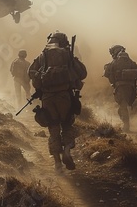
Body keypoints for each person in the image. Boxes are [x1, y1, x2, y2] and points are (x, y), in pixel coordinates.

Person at [28, 31, 87, 171]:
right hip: (64, 96)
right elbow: (82, 73)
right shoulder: (67, 54)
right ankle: (67, 150)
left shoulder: (42, 56)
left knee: (53, 128)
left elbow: (30, 72)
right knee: (66, 125)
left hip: (47, 98)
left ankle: (57, 163)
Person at [103, 45, 137, 132]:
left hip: (120, 87)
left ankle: (126, 127)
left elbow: (106, 73)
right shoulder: (129, 61)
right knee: (124, 105)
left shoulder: (115, 61)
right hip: (131, 87)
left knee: (122, 106)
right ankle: (127, 124)